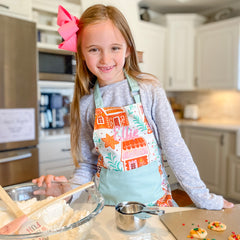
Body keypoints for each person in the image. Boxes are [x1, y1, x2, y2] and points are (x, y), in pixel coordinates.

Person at [33, 4, 234, 210]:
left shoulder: (149, 90)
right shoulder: (87, 105)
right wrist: (67, 192)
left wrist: (202, 197)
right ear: (82, 53)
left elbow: (175, 148)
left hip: (156, 205)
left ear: (128, 48)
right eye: (94, 49)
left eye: (115, 48)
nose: (105, 59)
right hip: (108, 210)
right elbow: (87, 166)